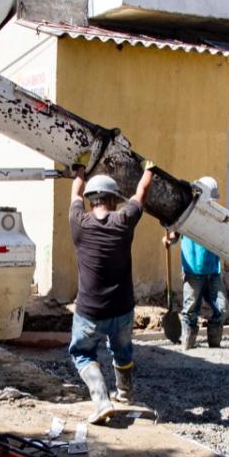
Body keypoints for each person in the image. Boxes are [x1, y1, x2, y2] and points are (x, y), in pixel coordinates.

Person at [69, 163, 154, 424]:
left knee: (83, 354)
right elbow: (140, 193)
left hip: (89, 311)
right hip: (122, 309)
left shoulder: (78, 222)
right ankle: (125, 395)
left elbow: (75, 193)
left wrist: (80, 172)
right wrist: (149, 170)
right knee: (122, 351)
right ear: (113, 201)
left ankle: (102, 402)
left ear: (91, 201)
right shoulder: (124, 221)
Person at [163, 177, 229, 350]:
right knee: (190, 310)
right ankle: (188, 344)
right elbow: (175, 234)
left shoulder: (217, 216)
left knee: (221, 309)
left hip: (213, 270)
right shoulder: (186, 215)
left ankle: (214, 345)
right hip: (193, 271)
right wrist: (169, 239)